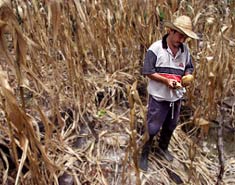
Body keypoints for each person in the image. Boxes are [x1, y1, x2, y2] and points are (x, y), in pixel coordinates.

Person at [139, 15, 199, 171]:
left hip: (176, 97)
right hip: (159, 97)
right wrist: (166, 81)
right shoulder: (156, 48)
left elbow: (189, 67)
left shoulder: (185, 50)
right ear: (170, 31)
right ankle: (144, 154)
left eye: (185, 37)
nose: (183, 40)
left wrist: (187, 75)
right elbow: (148, 71)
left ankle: (162, 149)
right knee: (152, 127)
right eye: (180, 35)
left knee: (170, 125)